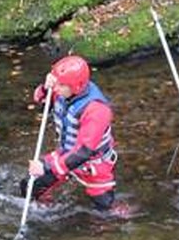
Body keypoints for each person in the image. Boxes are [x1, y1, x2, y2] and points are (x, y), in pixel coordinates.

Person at [22, 55, 119, 211]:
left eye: (60, 85)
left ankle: (118, 216)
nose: (56, 88)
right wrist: (46, 87)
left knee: (105, 208)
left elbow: (83, 152)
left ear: (76, 86)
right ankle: (45, 209)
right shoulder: (61, 91)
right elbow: (40, 100)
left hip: (93, 165)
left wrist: (50, 167)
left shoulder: (96, 110)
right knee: (30, 186)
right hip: (66, 153)